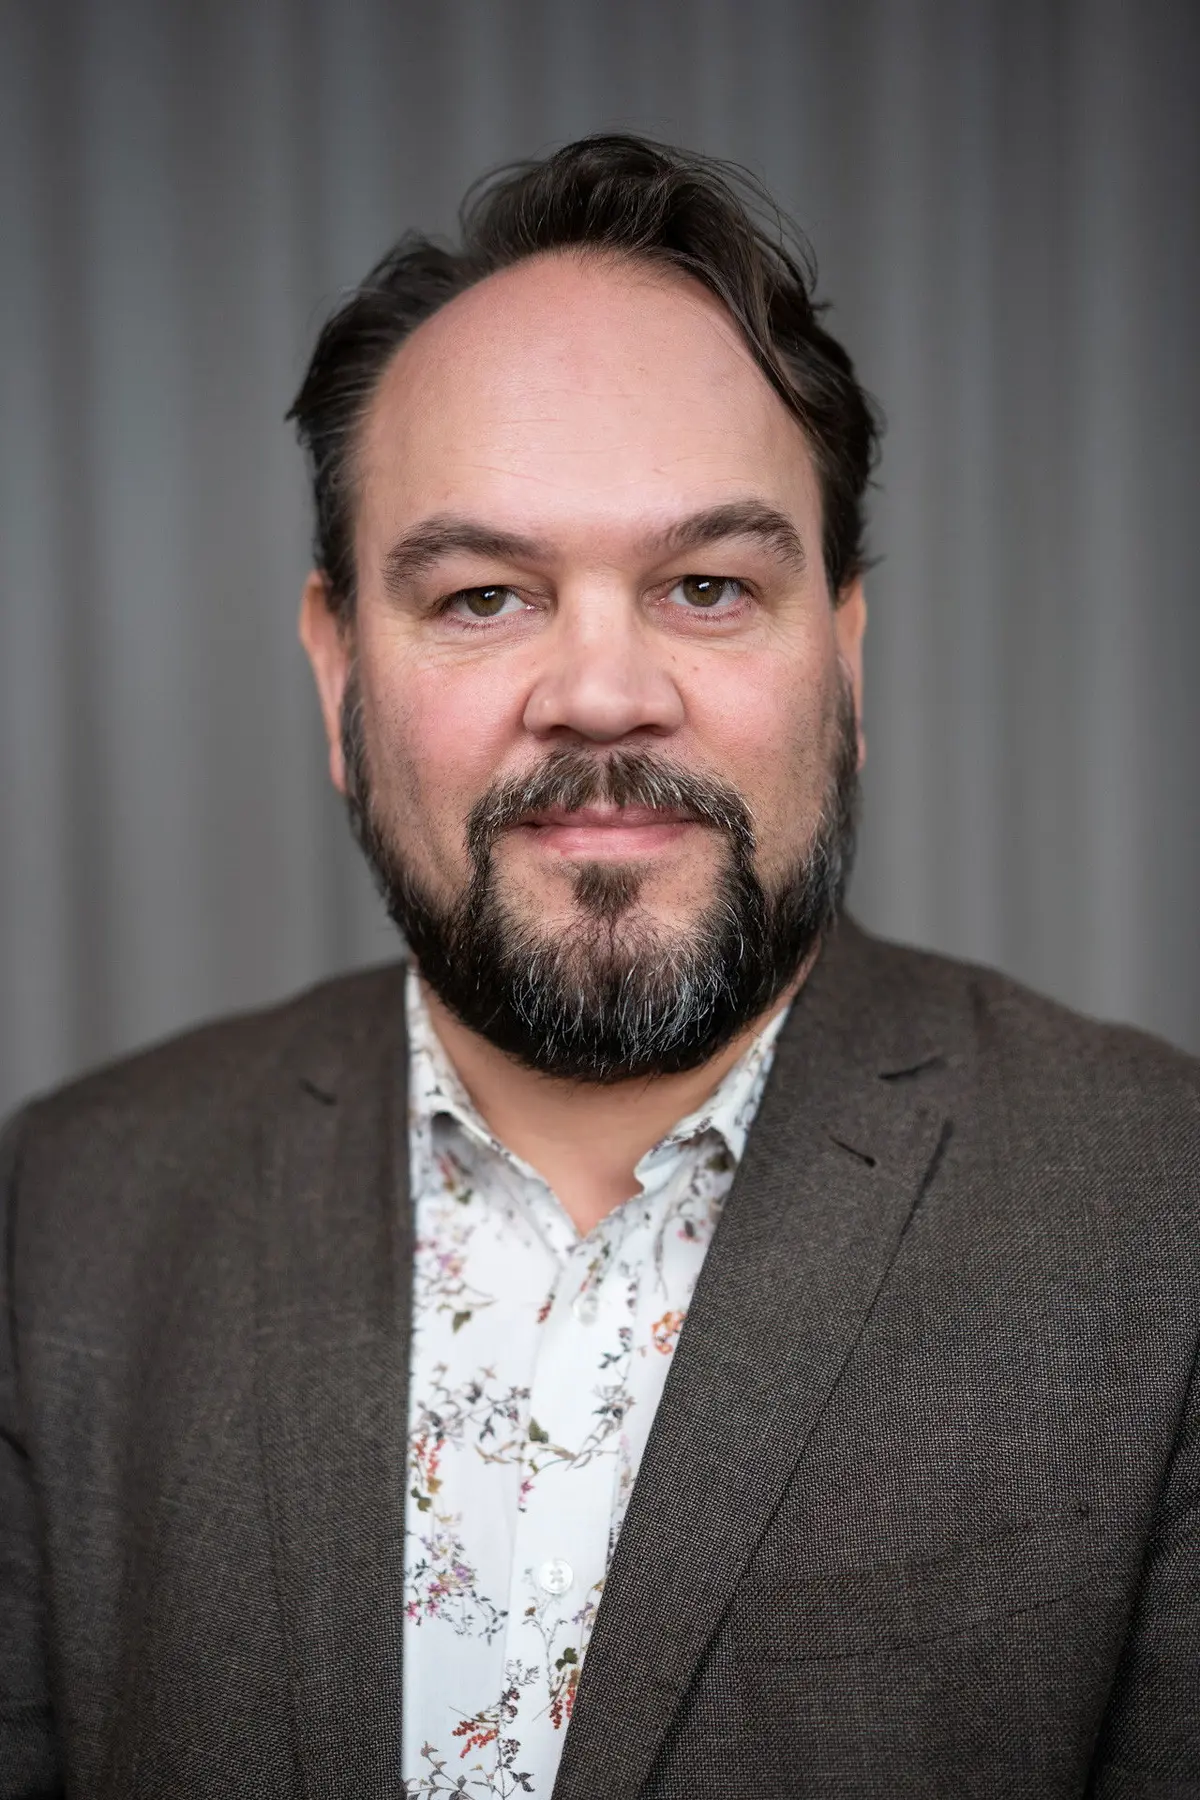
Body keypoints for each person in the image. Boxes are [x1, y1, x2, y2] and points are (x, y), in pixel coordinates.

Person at [1, 132, 1196, 1800]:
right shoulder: (62, 1221)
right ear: (336, 672)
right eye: (485, 597)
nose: (602, 693)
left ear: (845, 656)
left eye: (707, 586)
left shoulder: (1163, 1212)